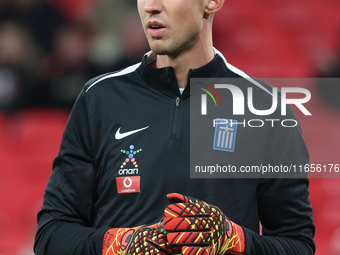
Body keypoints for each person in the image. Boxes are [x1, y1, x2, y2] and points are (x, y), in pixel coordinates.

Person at [34, 0, 315, 254]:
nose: (150, 7)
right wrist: (118, 244)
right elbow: (51, 235)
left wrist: (236, 240)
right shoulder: (99, 98)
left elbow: (297, 245)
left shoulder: (265, 107)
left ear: (212, 3)